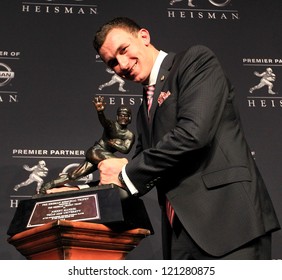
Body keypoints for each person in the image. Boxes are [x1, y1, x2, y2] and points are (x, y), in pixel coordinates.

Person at [93, 17, 280, 260]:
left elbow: (193, 134)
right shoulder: (143, 110)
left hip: (230, 223)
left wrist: (126, 173)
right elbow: (143, 166)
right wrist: (83, 193)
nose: (122, 64)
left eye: (123, 50)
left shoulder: (195, 61)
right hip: (180, 235)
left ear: (144, 36)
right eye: (112, 63)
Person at [39, 96, 135, 194]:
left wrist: (114, 144)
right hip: (96, 151)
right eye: (121, 115)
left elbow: (125, 149)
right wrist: (100, 112)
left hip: (101, 157)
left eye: (126, 115)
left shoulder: (129, 135)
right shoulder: (111, 125)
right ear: (117, 117)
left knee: (74, 175)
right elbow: (104, 122)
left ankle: (48, 186)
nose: (123, 117)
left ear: (130, 118)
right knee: (117, 164)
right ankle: (123, 186)